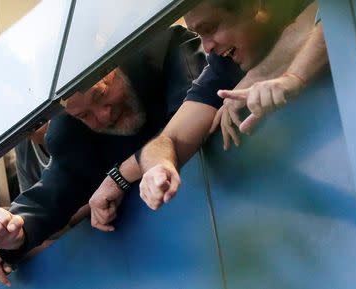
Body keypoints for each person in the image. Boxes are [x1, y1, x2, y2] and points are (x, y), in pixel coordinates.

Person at [0, 25, 219, 277]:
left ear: (116, 59)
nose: (104, 115)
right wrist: (12, 228)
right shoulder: (67, 133)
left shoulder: (165, 49)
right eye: (84, 115)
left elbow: (193, 119)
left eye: (102, 94)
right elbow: (53, 192)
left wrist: (120, 177)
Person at [136, 0, 320, 211]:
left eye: (210, 29)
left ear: (254, 5)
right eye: (199, 35)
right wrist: (158, 166)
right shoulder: (222, 66)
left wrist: (259, 74)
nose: (206, 47)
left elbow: (321, 15)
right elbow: (167, 139)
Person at [213, 10, 328, 147]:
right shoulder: (219, 62)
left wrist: (292, 78)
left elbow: (328, 13)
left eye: (210, 28)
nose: (207, 47)